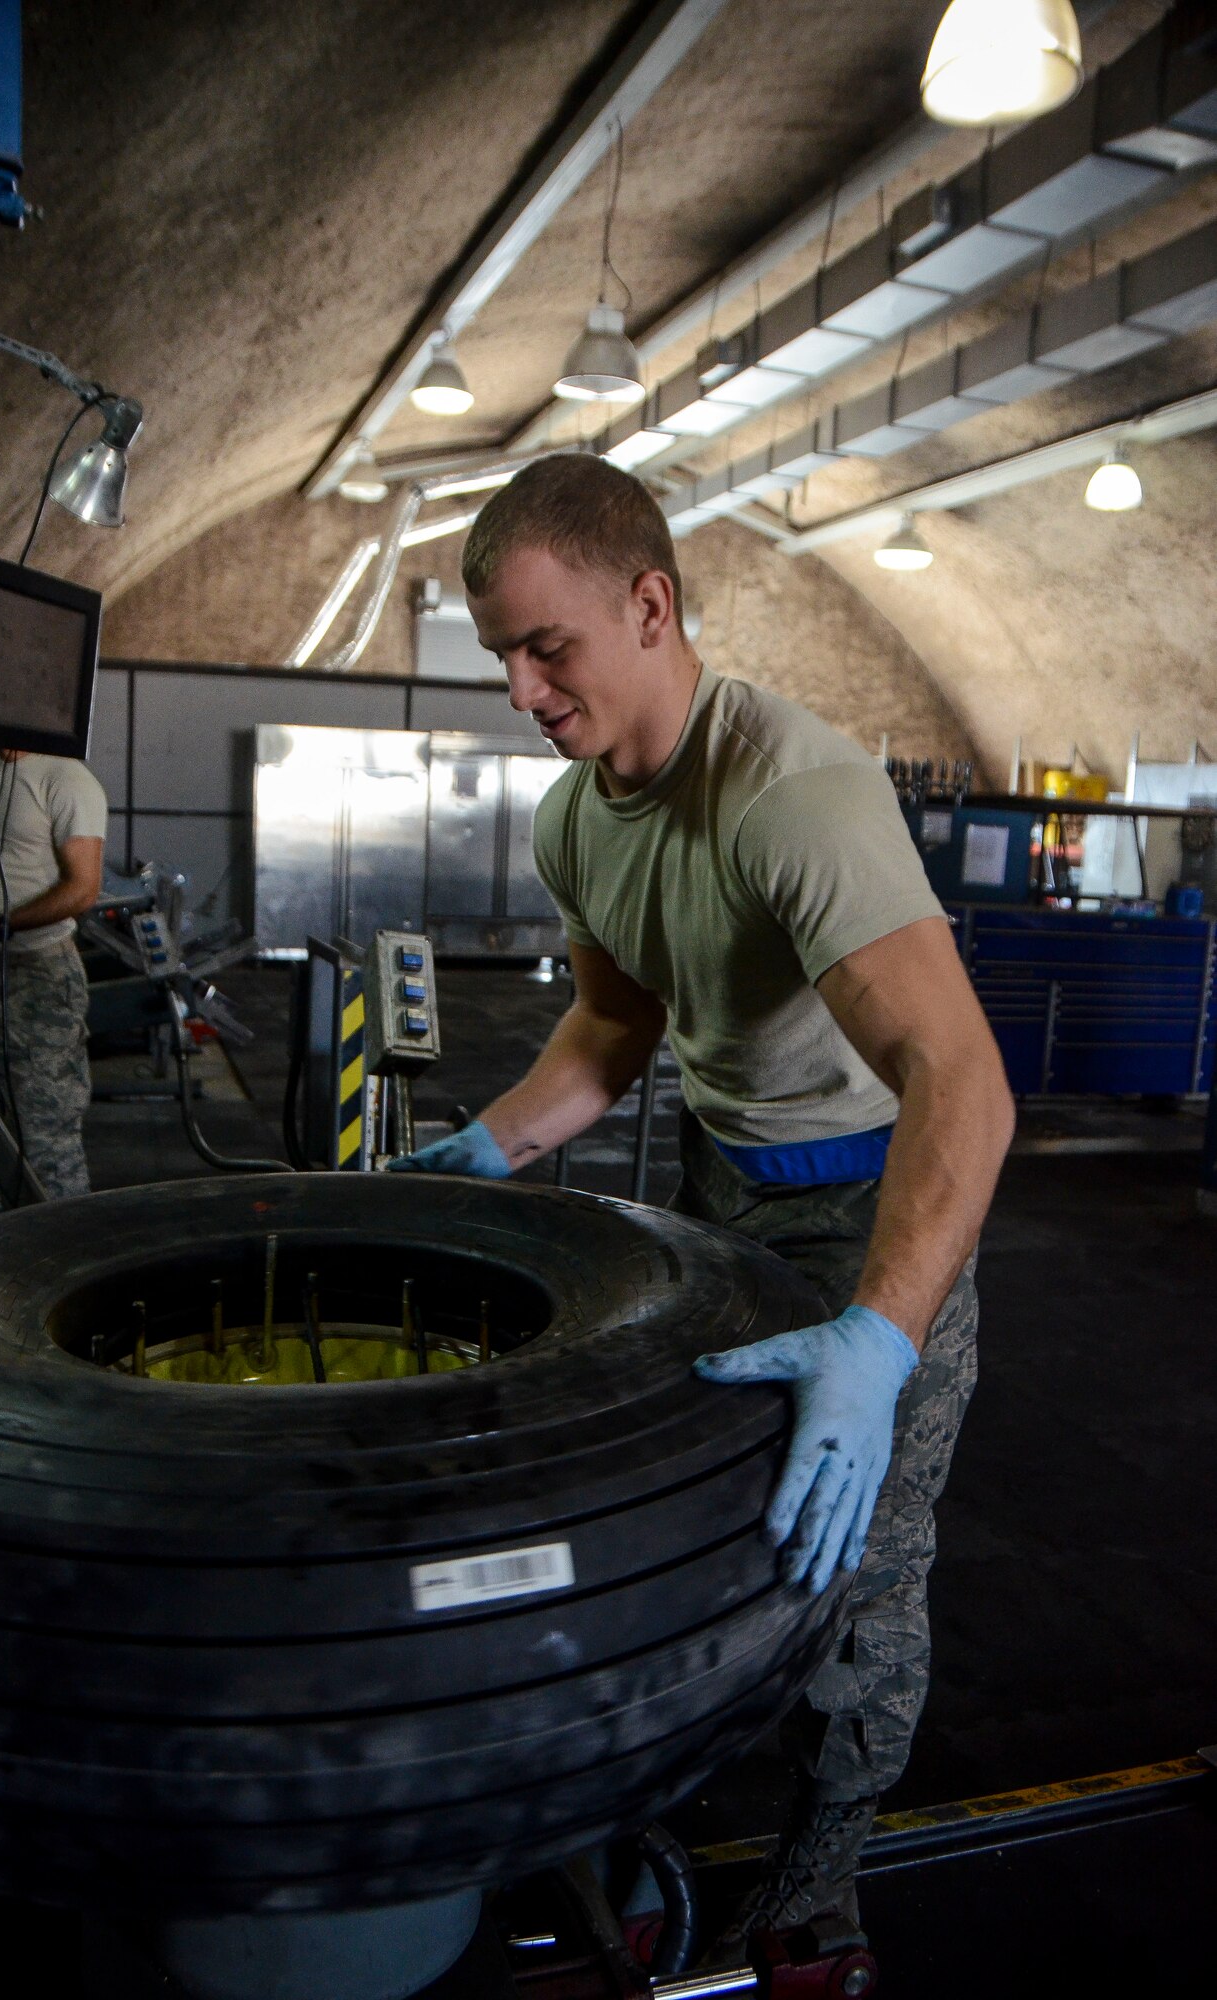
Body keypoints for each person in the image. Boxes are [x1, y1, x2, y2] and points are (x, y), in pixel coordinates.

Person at [390, 454, 1015, 1949]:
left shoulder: (793, 794)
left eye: (551, 648)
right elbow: (614, 1028)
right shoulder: (573, 820)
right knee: (695, 1536)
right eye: (503, 658)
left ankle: (815, 1906)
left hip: (879, 1208)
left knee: (851, 1568)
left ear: (651, 605)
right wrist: (491, 1148)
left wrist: (880, 1336)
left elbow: (966, 1087)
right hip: (721, 1193)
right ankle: (662, 1810)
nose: (526, 690)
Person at [0, 749, 107, 1204]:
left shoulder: (68, 779)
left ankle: (62, 1256)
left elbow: (83, 888)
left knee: (45, 1128)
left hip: (38, 972)